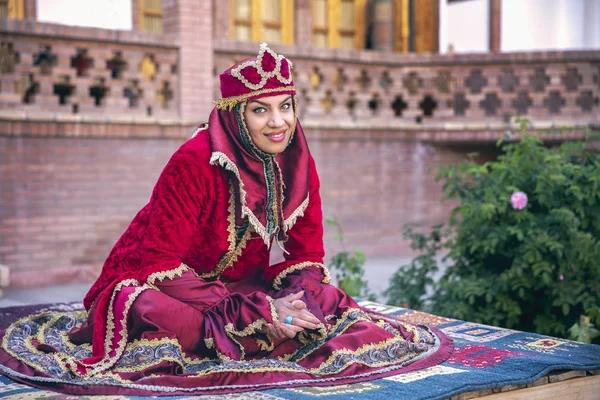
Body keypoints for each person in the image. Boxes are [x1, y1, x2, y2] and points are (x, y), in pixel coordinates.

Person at [0, 43, 452, 396]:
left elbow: (308, 252)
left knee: (324, 297)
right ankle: (254, 329)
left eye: (285, 106)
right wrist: (258, 311)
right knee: (145, 307)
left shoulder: (295, 160)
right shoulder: (195, 160)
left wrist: (295, 299)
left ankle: (259, 327)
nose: (278, 123)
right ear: (236, 114)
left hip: (232, 287)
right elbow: (159, 264)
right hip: (154, 283)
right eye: (261, 109)